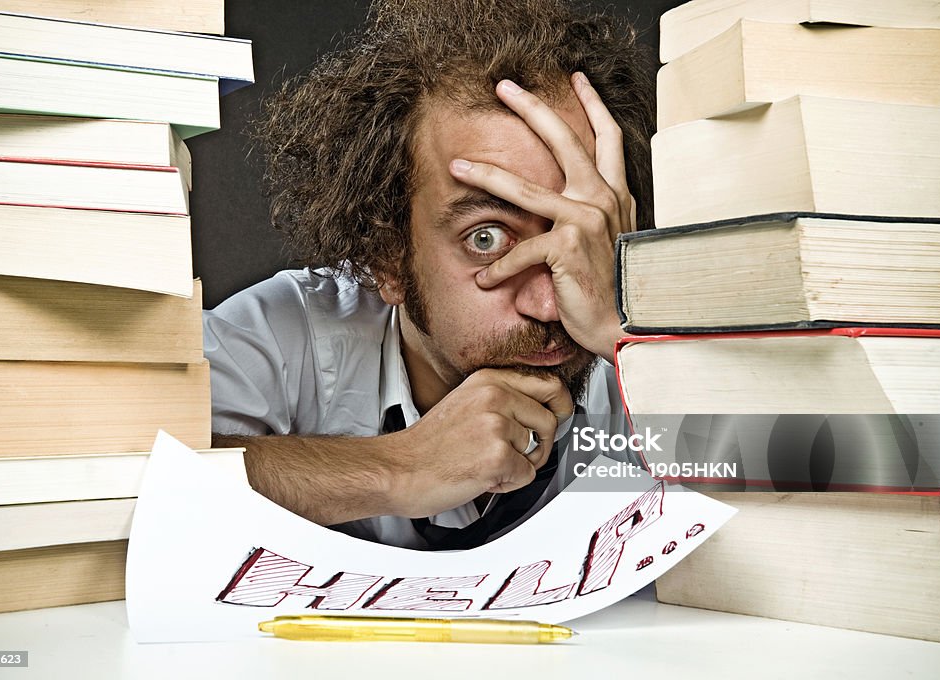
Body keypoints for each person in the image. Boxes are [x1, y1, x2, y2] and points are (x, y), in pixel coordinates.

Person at [204, 0, 656, 549]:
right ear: (388, 255)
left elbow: (788, 472)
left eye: (582, 236)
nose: (548, 302)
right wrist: (399, 468)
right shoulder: (283, 334)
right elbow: (124, 478)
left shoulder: (631, 348)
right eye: (485, 238)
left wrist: (627, 335)